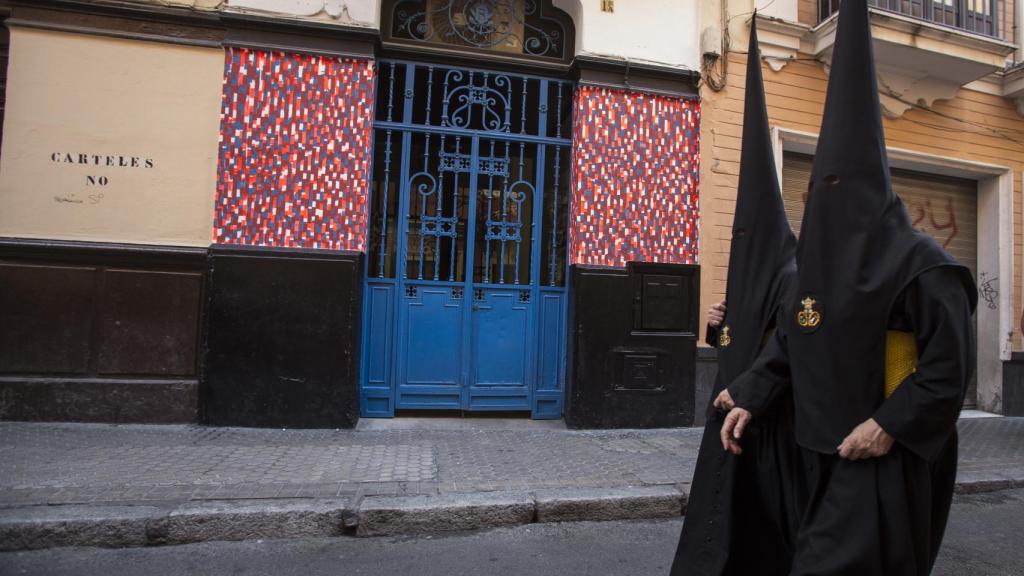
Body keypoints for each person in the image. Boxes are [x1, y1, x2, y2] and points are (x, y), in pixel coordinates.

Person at [716, 1, 977, 574]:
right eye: (818, 191)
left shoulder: (925, 266)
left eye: (838, 187)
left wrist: (888, 426)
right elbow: (793, 338)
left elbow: (947, 370)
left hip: (881, 455)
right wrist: (751, 394)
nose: (825, 205)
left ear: (872, 194)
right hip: (815, 448)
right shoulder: (819, 269)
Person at [670, 16, 802, 576]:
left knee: (760, 528)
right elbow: (735, 336)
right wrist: (719, 324)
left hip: (766, 422)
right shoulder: (754, 267)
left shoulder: (792, 274)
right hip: (726, 409)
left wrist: (750, 390)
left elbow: (789, 344)